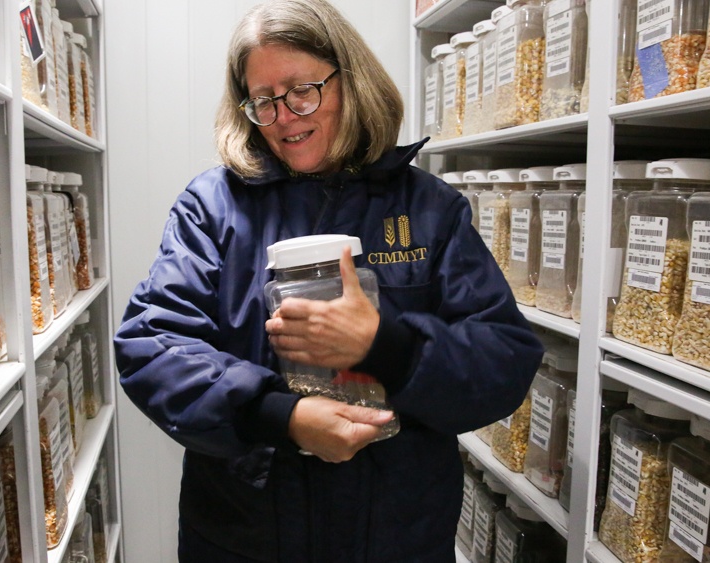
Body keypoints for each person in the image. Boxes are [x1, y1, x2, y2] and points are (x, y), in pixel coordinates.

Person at [114, 0, 544, 561]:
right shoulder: (212, 207)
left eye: (301, 90)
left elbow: (503, 361)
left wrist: (385, 346)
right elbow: (153, 346)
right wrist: (282, 416)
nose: (285, 117)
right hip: (243, 534)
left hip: (393, 534)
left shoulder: (429, 209)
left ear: (351, 79)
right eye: (263, 101)